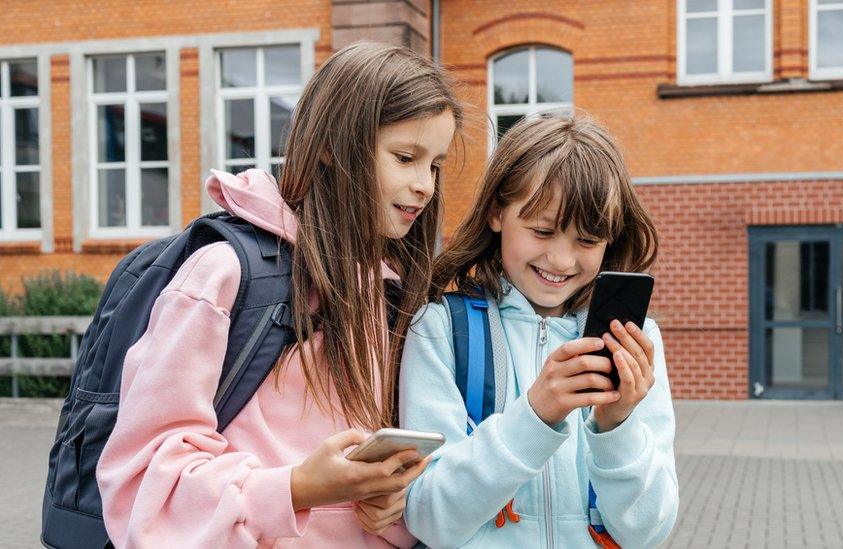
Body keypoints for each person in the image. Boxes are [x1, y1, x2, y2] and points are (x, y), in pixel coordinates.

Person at [95, 41, 461, 548]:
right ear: (332, 146)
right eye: (405, 157)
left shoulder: (396, 297)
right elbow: (144, 486)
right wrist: (298, 488)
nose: (425, 186)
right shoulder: (223, 276)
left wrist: (390, 501)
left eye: (435, 165)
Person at [399, 114, 679, 548]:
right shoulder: (439, 331)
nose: (562, 261)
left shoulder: (638, 341)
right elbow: (429, 519)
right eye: (543, 231)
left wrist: (616, 425)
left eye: (587, 241)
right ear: (497, 212)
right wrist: (535, 416)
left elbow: (648, 531)